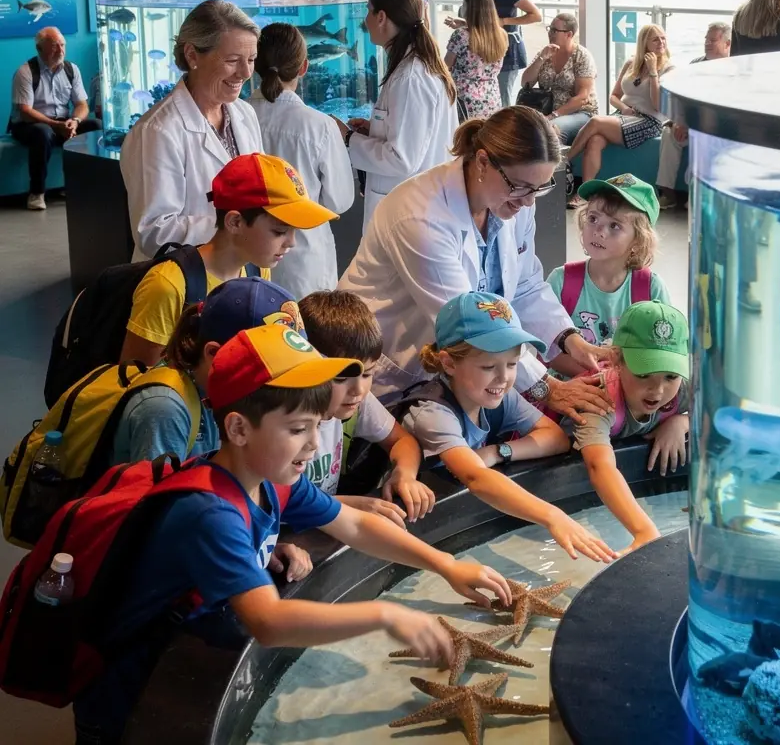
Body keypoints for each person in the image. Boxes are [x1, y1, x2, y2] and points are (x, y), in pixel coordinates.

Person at [71, 322, 511, 745]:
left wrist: (446, 564)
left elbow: (354, 524)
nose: (314, 445)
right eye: (298, 429)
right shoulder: (210, 513)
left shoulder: (273, 478)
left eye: (318, 425)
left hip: (188, 656)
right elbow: (269, 622)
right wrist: (387, 616)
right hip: (132, 696)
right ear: (239, 428)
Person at [338, 106, 614, 422]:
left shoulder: (515, 202)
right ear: (483, 161)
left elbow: (524, 285)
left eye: (540, 188)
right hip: (387, 369)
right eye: (520, 187)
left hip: (457, 373)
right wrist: (547, 388)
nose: (527, 201)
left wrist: (571, 340)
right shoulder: (420, 216)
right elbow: (470, 325)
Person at [398, 292, 616, 564]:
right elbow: (475, 478)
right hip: (414, 534)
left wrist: (498, 452)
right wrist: (553, 516)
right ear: (449, 363)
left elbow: (556, 438)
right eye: (489, 366)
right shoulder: (432, 413)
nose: (503, 378)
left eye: (512, 364)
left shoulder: (498, 395)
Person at [120, 152, 335, 367]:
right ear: (235, 222)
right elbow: (137, 381)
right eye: (279, 231)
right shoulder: (168, 285)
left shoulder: (256, 270)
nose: (291, 242)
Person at [121, 0, 264, 260]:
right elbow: (154, 232)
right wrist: (237, 226)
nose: (244, 73)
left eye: (251, 59)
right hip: (183, 281)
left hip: (237, 269)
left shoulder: (244, 113)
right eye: (232, 60)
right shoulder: (158, 131)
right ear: (192, 55)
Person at [112, 276, 302, 466]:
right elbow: (156, 495)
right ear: (214, 353)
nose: (280, 381)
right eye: (268, 366)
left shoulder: (221, 393)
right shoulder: (164, 408)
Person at [299, 289, 436, 521]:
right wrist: (352, 506)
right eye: (341, 378)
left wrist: (404, 474)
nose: (358, 390)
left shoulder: (357, 402)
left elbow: (403, 440)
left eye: (367, 374)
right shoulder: (284, 420)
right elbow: (281, 501)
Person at [566, 301, 690, 552]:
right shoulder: (598, 399)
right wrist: (644, 530)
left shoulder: (683, 388)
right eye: (644, 374)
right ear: (615, 360)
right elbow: (599, 465)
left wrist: (682, 421)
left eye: (670, 376)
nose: (658, 390)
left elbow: (724, 415)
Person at [337, 0, 459, 232]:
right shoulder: (413, 68)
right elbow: (414, 136)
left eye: (368, 12)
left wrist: (348, 138)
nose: (365, 21)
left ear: (381, 17)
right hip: (415, 208)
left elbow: (402, 159)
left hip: (411, 215)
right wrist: (376, 130)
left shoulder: (411, 77)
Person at [250, 23, 355, 299]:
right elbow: (340, 201)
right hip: (304, 262)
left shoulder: (236, 116)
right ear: (304, 67)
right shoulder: (319, 126)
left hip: (247, 259)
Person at [547, 174, 670, 379]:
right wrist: (602, 379)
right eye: (593, 219)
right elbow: (551, 354)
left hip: (630, 392)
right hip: (570, 390)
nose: (599, 231)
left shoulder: (651, 288)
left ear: (638, 241)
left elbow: (662, 351)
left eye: (615, 226)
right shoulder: (561, 281)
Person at [565, 24, 673, 208]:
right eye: (655, 39)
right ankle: (584, 193)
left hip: (648, 121)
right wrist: (623, 108)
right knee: (595, 140)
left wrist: (653, 71)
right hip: (624, 115)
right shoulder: (631, 64)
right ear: (644, 43)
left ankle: (564, 160)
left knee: (596, 121)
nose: (661, 42)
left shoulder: (668, 68)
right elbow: (613, 96)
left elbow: (658, 105)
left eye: (663, 38)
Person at [9, 26, 101, 210]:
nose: (60, 50)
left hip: (62, 121)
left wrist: (74, 122)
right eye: (54, 46)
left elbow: (82, 105)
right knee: (42, 133)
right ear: (39, 49)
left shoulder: (71, 69)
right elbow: (25, 111)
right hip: (29, 124)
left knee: (96, 125)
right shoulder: (25, 72)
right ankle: (37, 193)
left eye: (62, 45)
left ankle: (83, 185)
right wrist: (54, 125)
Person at [445, 0, 542, 108]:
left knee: (502, 99)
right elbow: (481, 21)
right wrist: (463, 24)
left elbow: (536, 15)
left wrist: (503, 22)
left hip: (505, 50)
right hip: (483, 50)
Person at [656, 21, 731, 209]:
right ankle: (667, 193)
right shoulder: (695, 65)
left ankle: (697, 196)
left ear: (727, 44)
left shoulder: (733, 70)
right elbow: (681, 99)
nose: (707, 43)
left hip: (714, 129)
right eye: (706, 39)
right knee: (668, 134)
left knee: (705, 139)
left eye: (712, 40)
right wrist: (678, 122)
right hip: (689, 124)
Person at [518, 12, 598, 145]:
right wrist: (541, 58)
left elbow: (582, 98)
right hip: (546, 109)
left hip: (579, 112)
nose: (550, 33)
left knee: (549, 129)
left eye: (555, 30)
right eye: (549, 28)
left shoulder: (581, 56)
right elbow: (525, 83)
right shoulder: (545, 53)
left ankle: (555, 165)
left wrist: (553, 115)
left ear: (569, 34)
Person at [444, 0, 507, 119]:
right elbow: (481, 36)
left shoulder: (460, 36)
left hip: (464, 102)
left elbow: (445, 67)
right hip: (492, 99)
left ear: (468, 7)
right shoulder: (502, 35)